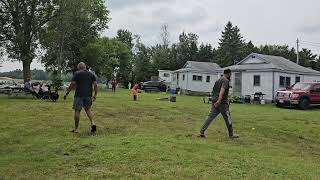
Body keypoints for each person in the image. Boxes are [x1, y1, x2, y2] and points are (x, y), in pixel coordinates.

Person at [199, 69, 239, 139]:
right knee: (228, 118)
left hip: (214, 102)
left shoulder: (218, 80)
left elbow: (213, 90)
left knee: (210, 117)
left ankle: (202, 131)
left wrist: (214, 100)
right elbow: (222, 90)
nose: (231, 76)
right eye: (230, 74)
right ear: (229, 74)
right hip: (222, 103)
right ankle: (231, 134)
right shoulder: (226, 80)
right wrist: (219, 101)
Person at [64, 62, 98, 133]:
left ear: (79, 68)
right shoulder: (92, 74)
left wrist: (67, 93)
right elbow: (95, 84)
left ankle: (76, 129)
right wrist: (95, 95)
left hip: (79, 95)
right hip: (88, 95)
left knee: (77, 111)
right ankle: (93, 123)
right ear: (85, 67)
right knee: (88, 109)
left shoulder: (77, 74)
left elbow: (72, 84)